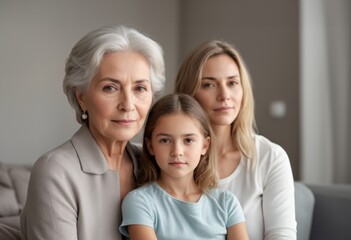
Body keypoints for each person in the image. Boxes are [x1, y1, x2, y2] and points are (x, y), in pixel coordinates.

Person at [19, 25, 165, 240]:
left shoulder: (154, 160)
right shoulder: (55, 171)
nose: (128, 104)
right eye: (110, 88)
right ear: (81, 96)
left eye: (140, 88)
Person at [175, 40, 296, 239]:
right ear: (188, 93)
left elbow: (282, 235)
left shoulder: (270, 157)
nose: (224, 95)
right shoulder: (169, 157)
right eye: (209, 84)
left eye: (232, 83)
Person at [119, 93, 249, 240]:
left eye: (188, 140)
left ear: (205, 146)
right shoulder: (140, 202)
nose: (177, 152)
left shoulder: (227, 203)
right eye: (165, 140)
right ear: (150, 146)